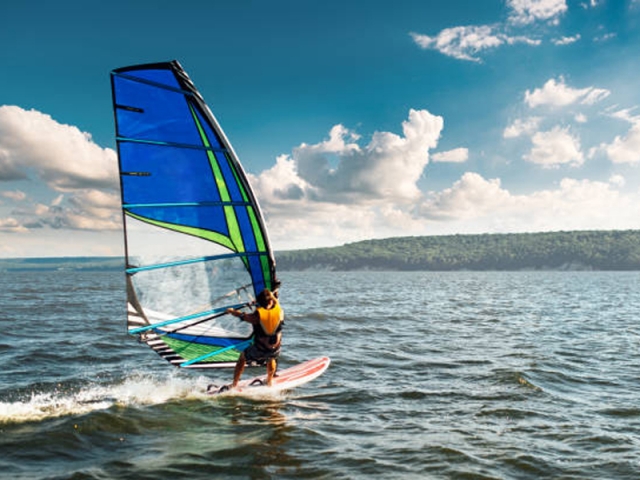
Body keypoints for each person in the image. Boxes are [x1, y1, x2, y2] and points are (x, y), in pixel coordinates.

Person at [226, 288, 284, 388]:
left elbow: (242, 316)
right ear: (271, 301)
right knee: (271, 358)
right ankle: (269, 381)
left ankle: (234, 384)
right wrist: (272, 295)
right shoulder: (280, 311)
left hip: (261, 349)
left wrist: (232, 311)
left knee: (242, 357)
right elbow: (275, 301)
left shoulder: (257, 316)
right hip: (275, 349)